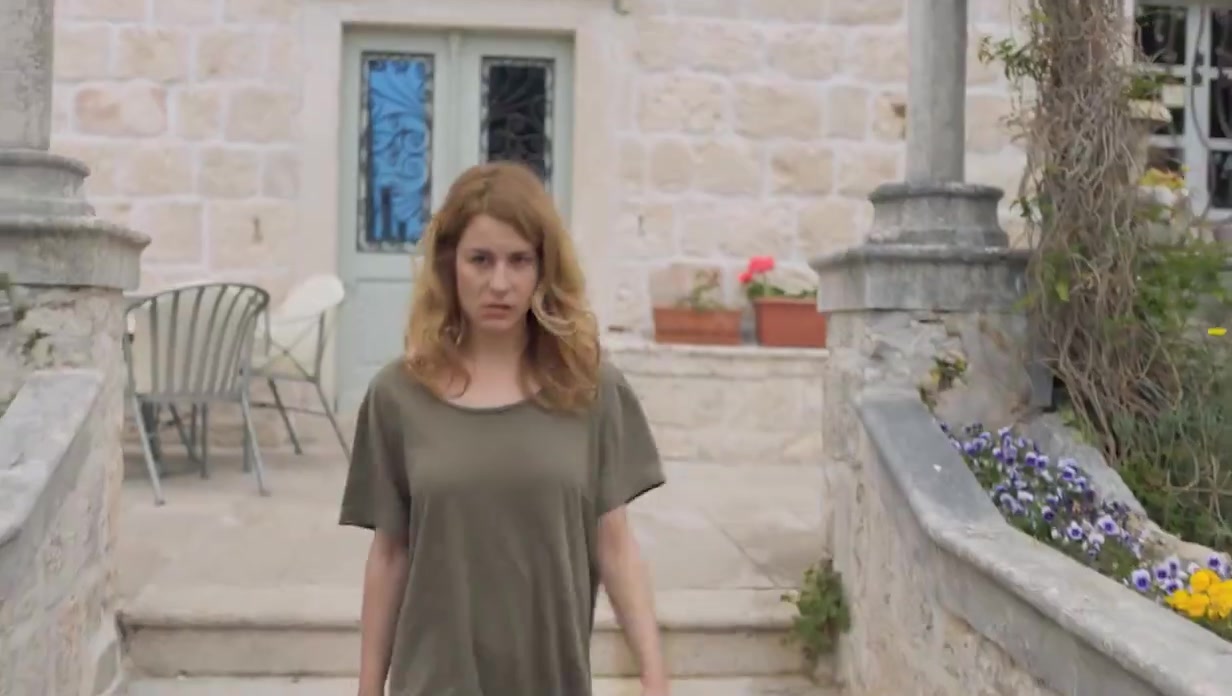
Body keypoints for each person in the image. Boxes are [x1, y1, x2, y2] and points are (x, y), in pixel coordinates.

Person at [338, 161, 670, 696]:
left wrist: (654, 674)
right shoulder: (397, 397)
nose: (499, 283)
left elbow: (615, 546)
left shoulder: (590, 390)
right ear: (449, 265)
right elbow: (390, 555)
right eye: (480, 260)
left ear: (544, 269)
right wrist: (368, 688)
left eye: (519, 260)